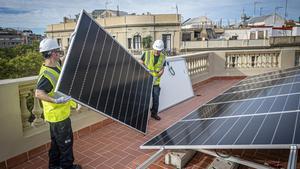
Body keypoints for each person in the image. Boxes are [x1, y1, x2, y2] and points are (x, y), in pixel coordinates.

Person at [35, 38, 81, 169]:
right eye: (57, 51)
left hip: (56, 115)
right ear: (52, 53)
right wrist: (55, 100)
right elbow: (38, 93)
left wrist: (72, 42)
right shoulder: (46, 75)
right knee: (66, 143)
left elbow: (65, 60)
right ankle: (68, 167)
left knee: (56, 143)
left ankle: (54, 166)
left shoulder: (55, 65)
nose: (59, 53)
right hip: (58, 116)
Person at [139, 39, 166, 120]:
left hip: (156, 82)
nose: (157, 52)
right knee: (144, 98)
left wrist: (158, 76)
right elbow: (140, 61)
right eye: (156, 50)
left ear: (161, 50)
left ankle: (154, 114)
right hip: (146, 80)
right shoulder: (147, 53)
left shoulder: (163, 57)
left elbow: (162, 69)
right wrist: (145, 70)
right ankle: (141, 115)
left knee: (156, 98)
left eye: (159, 50)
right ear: (153, 48)